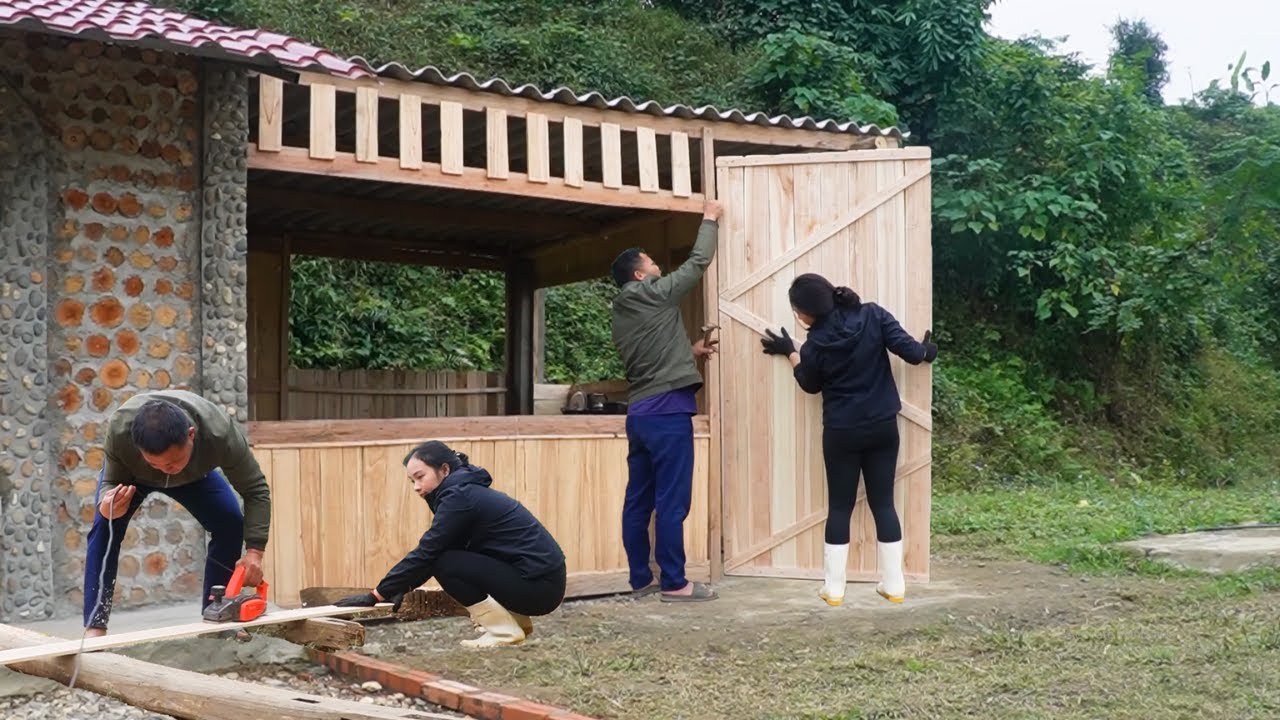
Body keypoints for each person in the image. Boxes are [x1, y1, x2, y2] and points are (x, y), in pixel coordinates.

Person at [760, 273, 937, 606]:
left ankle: (835, 590)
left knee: (840, 507)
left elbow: (810, 385)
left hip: (842, 431)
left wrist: (790, 352)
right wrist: (928, 351)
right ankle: (894, 586)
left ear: (805, 313)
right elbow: (912, 353)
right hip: (883, 425)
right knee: (883, 503)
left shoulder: (814, 346)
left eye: (797, 311)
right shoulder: (873, 315)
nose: (797, 317)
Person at [335, 441, 567, 648]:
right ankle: (515, 624)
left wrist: (376, 594)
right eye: (412, 480)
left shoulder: (460, 499)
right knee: (447, 557)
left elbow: (429, 553)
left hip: (539, 588)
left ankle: (503, 632)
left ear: (444, 470)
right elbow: (437, 550)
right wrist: (399, 588)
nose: (416, 486)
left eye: (420, 476)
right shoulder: (463, 492)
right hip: (541, 583)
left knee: (446, 564)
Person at [84, 390, 272, 636]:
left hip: (194, 477)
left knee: (229, 522)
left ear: (191, 435)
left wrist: (255, 552)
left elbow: (255, 489)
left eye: (172, 462)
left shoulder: (219, 432)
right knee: (104, 526)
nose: (165, 471)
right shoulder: (121, 429)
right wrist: (107, 505)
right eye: (155, 464)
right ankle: (95, 626)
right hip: (133, 478)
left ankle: (217, 615)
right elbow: (110, 482)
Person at [608, 198, 722, 603]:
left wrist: (687, 352)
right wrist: (709, 219)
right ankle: (675, 582)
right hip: (669, 412)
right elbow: (696, 265)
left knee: (639, 500)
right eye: (653, 264)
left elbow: (649, 352)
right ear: (640, 275)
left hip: (640, 415)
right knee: (672, 502)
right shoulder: (653, 292)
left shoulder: (622, 311)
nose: (658, 267)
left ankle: (641, 578)